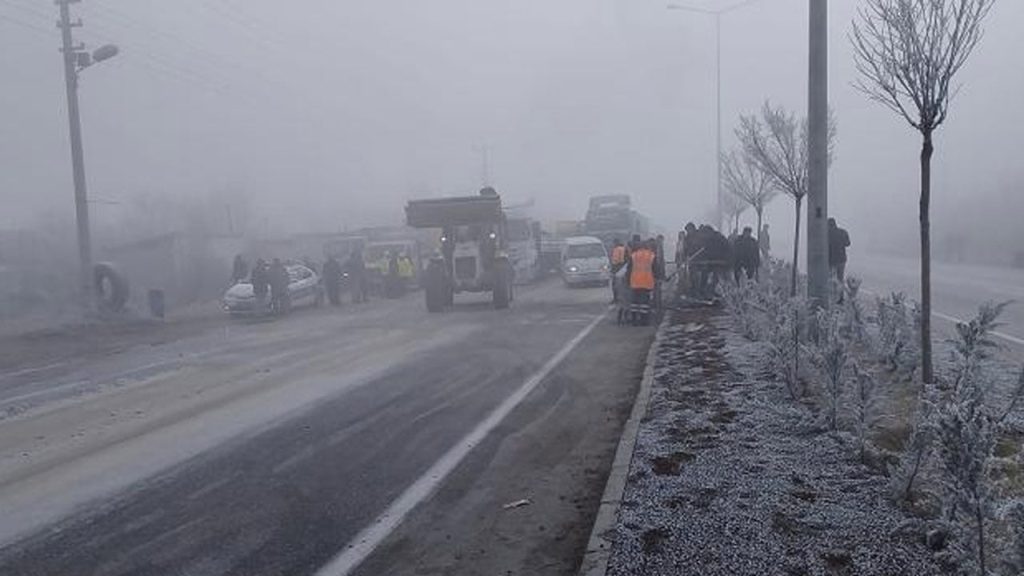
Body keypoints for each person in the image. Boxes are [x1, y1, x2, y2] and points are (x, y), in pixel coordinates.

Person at [828, 218, 851, 283]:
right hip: (841, 259)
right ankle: (840, 292)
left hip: (831, 260)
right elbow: (848, 243)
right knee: (840, 278)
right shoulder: (843, 232)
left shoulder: (826, 234)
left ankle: (832, 291)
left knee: (830, 278)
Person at [610, 238, 628, 303]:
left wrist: (614, 269)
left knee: (616, 285)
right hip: (619, 267)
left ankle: (617, 298)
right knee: (618, 284)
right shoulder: (621, 248)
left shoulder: (618, 249)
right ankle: (618, 298)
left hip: (618, 267)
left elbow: (618, 260)